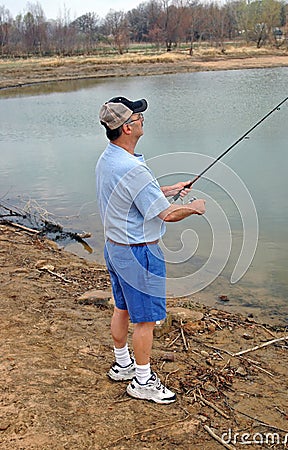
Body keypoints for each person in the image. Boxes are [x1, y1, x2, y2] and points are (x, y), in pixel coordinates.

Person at [95, 96, 206, 404]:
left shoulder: (109, 158)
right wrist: (194, 208)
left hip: (115, 249)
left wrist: (168, 190)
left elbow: (134, 195)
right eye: (138, 117)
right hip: (139, 253)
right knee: (145, 321)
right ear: (127, 128)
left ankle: (123, 364)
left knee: (122, 306)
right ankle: (142, 382)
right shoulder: (133, 169)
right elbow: (166, 215)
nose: (143, 119)